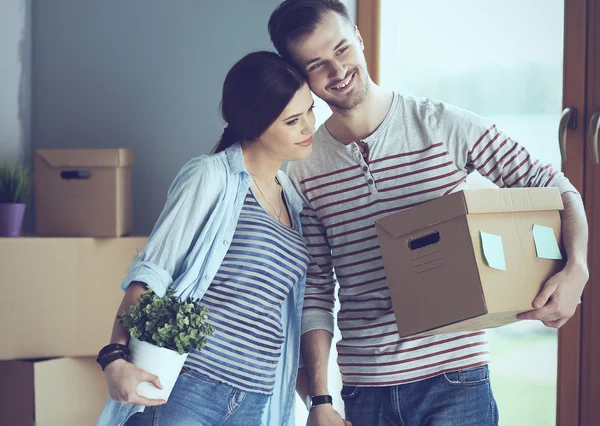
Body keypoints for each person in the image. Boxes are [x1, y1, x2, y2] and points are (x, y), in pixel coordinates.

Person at [267, 1, 590, 425]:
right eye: (317, 64)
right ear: (300, 76)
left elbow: (556, 187)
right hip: (366, 389)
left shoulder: (441, 125)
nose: (337, 70)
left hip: (455, 381)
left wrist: (577, 267)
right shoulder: (306, 169)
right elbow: (315, 294)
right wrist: (320, 400)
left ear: (360, 40)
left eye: (342, 49)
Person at [95, 50, 316, 426]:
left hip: (254, 399)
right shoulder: (211, 176)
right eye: (293, 120)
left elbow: (280, 318)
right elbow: (151, 273)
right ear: (257, 125)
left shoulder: (295, 202)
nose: (309, 126)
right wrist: (114, 358)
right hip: (189, 387)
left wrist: (319, 402)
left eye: (310, 110)